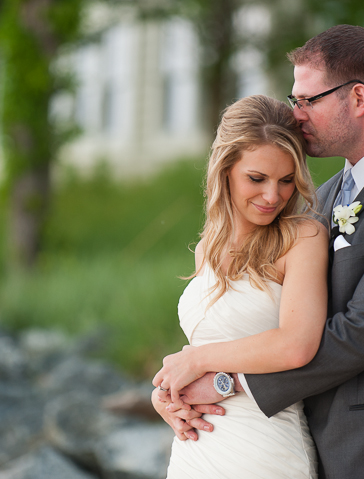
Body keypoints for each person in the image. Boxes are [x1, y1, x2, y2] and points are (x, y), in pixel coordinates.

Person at [154, 24, 364, 479]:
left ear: (358, 99)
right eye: (294, 101)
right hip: (318, 443)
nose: (297, 115)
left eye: (308, 101)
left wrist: (223, 382)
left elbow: (360, 333)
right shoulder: (321, 200)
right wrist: (175, 387)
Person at [152, 94, 329, 478]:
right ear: (225, 169)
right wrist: (167, 394)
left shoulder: (302, 238)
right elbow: (212, 342)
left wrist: (196, 362)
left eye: (285, 181)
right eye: (257, 178)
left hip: (264, 451)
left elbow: (296, 344)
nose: (273, 196)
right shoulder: (206, 249)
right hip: (195, 451)